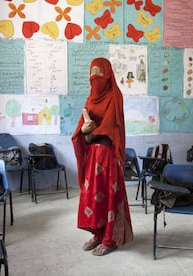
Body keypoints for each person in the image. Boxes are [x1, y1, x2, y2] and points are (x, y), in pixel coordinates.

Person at [72, 57, 134, 256]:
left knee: (108, 198)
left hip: (108, 156)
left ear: (107, 74)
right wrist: (83, 129)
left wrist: (91, 131)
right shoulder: (90, 98)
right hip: (92, 157)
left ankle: (109, 239)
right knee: (92, 197)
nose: (95, 77)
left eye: (99, 73)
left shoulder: (115, 96)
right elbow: (80, 129)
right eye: (92, 73)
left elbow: (110, 127)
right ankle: (98, 234)